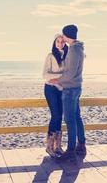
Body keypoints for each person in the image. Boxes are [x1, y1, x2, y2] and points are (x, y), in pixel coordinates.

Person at [49, 24, 86, 160]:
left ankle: (71, 151)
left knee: (70, 119)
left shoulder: (74, 50)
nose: (62, 38)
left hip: (70, 89)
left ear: (66, 35)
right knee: (76, 117)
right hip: (75, 87)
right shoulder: (77, 48)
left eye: (63, 35)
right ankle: (81, 146)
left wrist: (57, 81)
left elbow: (70, 73)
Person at [42, 34, 68, 158]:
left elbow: (68, 75)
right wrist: (59, 78)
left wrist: (58, 79)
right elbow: (45, 75)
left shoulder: (66, 57)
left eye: (62, 42)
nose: (60, 44)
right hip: (50, 89)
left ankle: (58, 147)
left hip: (61, 89)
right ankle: (49, 147)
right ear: (54, 42)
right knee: (56, 115)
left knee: (60, 117)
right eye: (58, 41)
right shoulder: (50, 56)